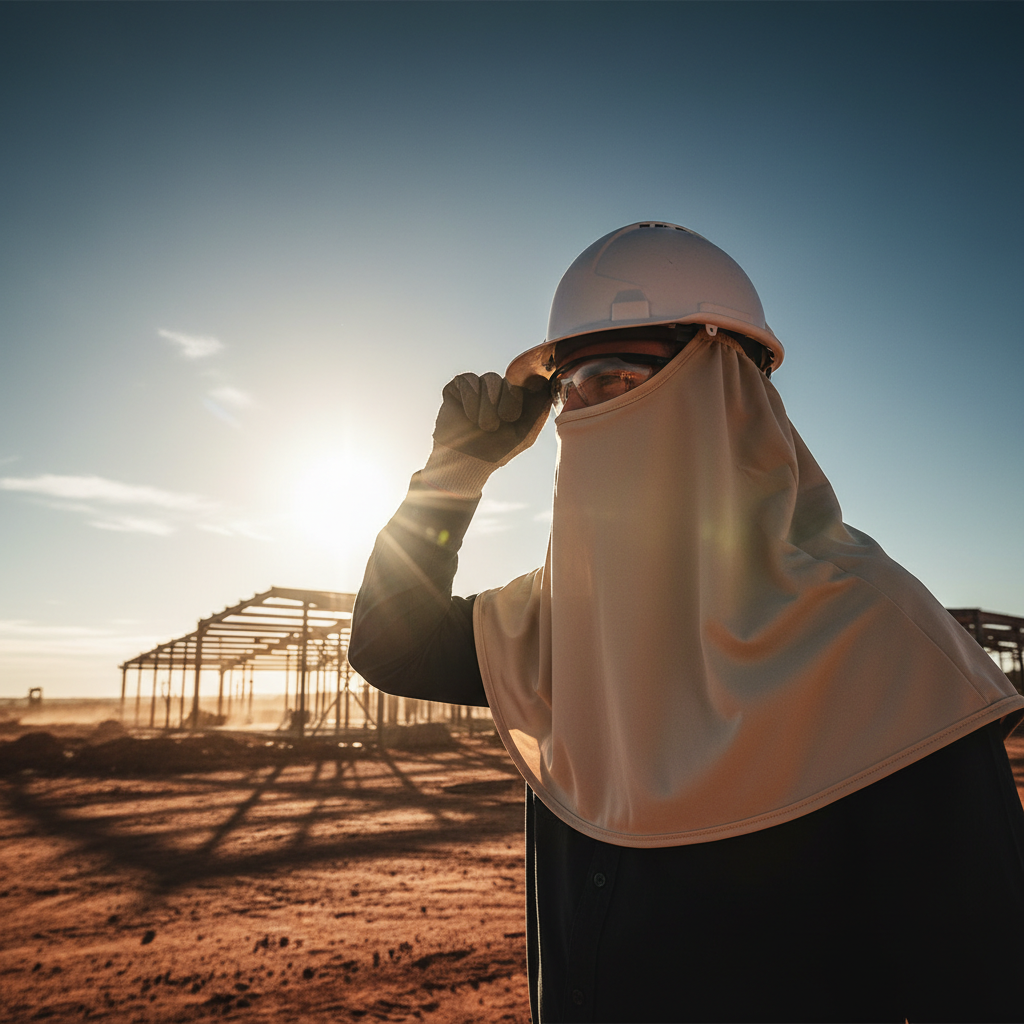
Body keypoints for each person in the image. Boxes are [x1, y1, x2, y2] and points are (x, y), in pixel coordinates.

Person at [349, 222, 1024, 1023]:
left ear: (722, 393)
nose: (581, 414)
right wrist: (455, 469)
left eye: (613, 379)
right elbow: (392, 644)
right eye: (569, 391)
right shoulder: (563, 616)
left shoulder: (880, 641)